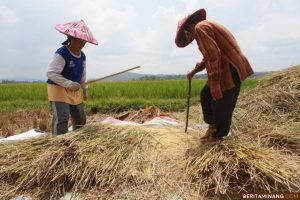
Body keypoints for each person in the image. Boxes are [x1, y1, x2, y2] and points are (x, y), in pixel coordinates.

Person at [175, 8, 254, 143]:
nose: (188, 39)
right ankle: (212, 127)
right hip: (225, 66)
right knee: (206, 95)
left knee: (222, 103)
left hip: (230, 67)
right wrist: (194, 72)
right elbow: (208, 57)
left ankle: (217, 135)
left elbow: (214, 55)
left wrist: (216, 84)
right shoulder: (205, 27)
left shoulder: (200, 28)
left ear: (187, 28)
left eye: (186, 36)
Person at [46, 20, 98, 136]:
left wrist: (84, 89)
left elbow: (83, 75)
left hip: (75, 88)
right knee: (62, 117)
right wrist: (68, 83)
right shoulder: (62, 53)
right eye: (79, 40)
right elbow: (51, 73)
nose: (82, 43)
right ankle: (58, 143)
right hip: (58, 88)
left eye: (84, 40)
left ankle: (77, 139)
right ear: (70, 38)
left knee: (80, 117)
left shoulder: (82, 56)